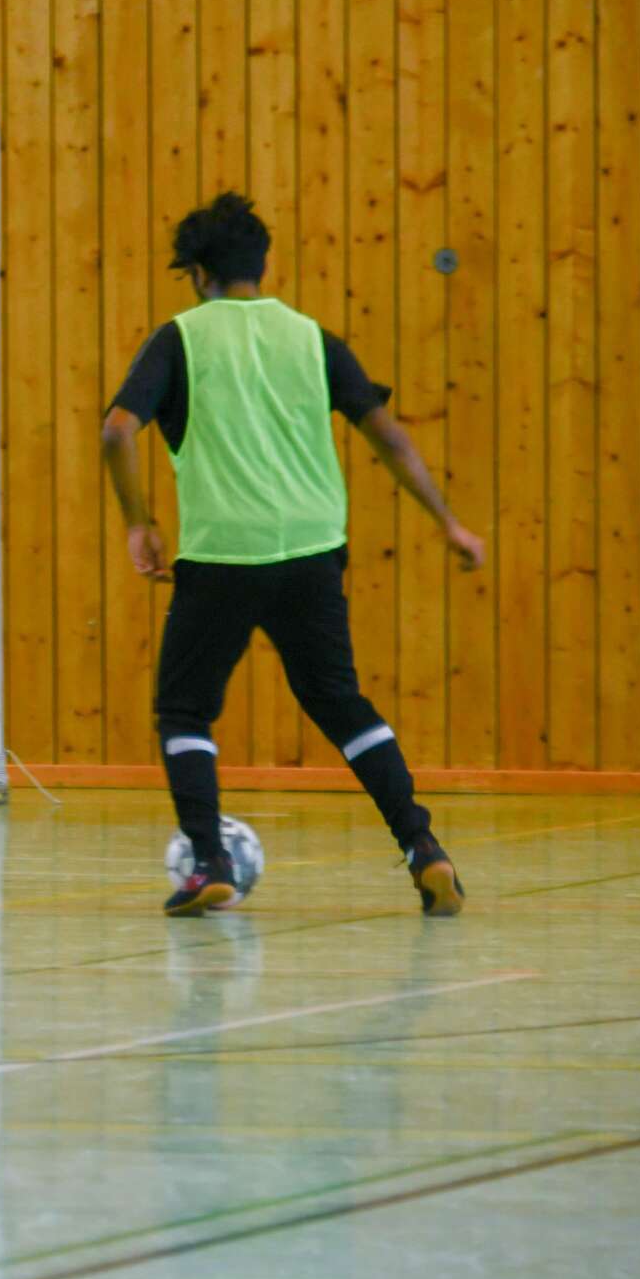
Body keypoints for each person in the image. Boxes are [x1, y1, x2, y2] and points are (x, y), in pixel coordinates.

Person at [100, 191, 483, 918]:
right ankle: (424, 847)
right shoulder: (312, 338)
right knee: (339, 701)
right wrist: (450, 524)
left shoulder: (180, 338)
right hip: (313, 548)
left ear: (198, 274)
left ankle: (209, 861)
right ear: (264, 264)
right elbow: (390, 437)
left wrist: (138, 522)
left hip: (223, 550)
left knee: (184, 707)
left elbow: (118, 431)